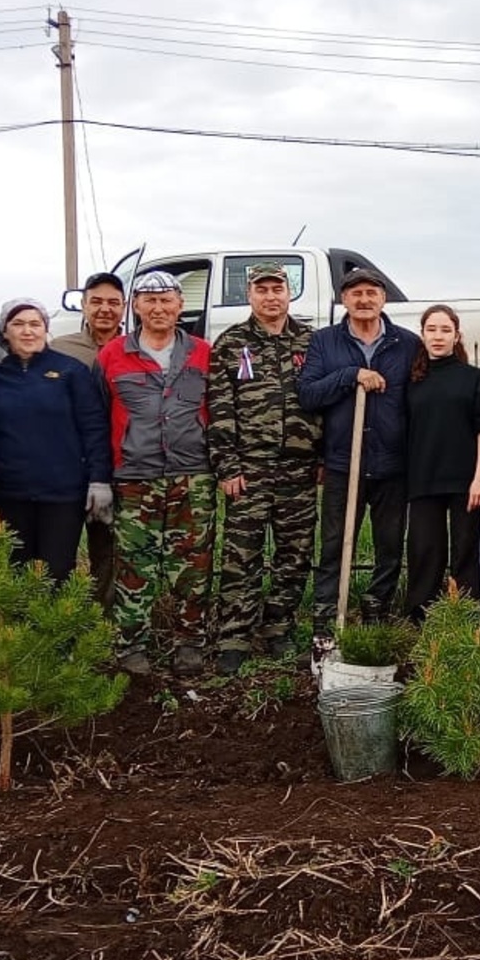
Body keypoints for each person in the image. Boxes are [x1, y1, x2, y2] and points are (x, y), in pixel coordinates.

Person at [92, 272, 215, 675]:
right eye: (149, 300)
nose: (159, 308)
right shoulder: (112, 355)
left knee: (193, 563)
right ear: (136, 307)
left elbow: (219, 413)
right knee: (134, 566)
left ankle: (189, 643)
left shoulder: (203, 353)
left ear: (180, 306)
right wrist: (100, 478)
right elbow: (96, 420)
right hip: (134, 477)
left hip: (192, 475)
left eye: (166, 300)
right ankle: (131, 646)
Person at [298, 264, 420, 658]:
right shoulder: (324, 343)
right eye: (355, 293)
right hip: (341, 462)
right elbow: (308, 395)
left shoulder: (407, 344)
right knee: (333, 544)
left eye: (372, 293)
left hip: (391, 464)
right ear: (343, 300)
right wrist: (351, 374)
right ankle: (326, 620)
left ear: (383, 298)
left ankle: (375, 610)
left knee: (388, 545)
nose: (364, 300)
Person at [207, 261, 321, 674]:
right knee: (242, 554)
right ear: (249, 295)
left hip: (300, 469)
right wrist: (227, 465)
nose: (270, 297)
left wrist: (322, 456)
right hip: (249, 469)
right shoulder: (232, 343)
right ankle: (234, 636)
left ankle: (278, 628)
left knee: (295, 554)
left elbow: (325, 404)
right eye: (262, 290)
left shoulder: (311, 341)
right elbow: (221, 408)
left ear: (289, 293)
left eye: (278, 289)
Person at [0, 297, 112, 583]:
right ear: (4, 331)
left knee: (56, 575)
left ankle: (58, 629)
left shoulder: (71, 371)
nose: (27, 331)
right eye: (18, 324)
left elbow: (94, 428)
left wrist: (99, 480)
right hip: (9, 495)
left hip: (63, 496)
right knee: (17, 576)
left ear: (46, 329)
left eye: (35, 323)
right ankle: (19, 631)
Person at [403, 305, 480, 619]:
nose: (438, 336)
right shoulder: (412, 380)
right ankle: (420, 617)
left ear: (457, 336)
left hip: (465, 481)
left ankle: (466, 617)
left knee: (465, 552)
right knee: (424, 551)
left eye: (445, 330)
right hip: (423, 479)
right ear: (423, 335)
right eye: (432, 329)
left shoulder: (473, 378)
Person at [51, 271, 127, 611]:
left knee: (108, 549)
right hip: (69, 465)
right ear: (83, 305)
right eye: (96, 301)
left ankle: (103, 620)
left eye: (113, 302)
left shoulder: (135, 348)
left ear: (124, 307)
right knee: (59, 549)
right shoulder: (60, 349)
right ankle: (59, 620)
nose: (105, 309)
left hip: (120, 464)